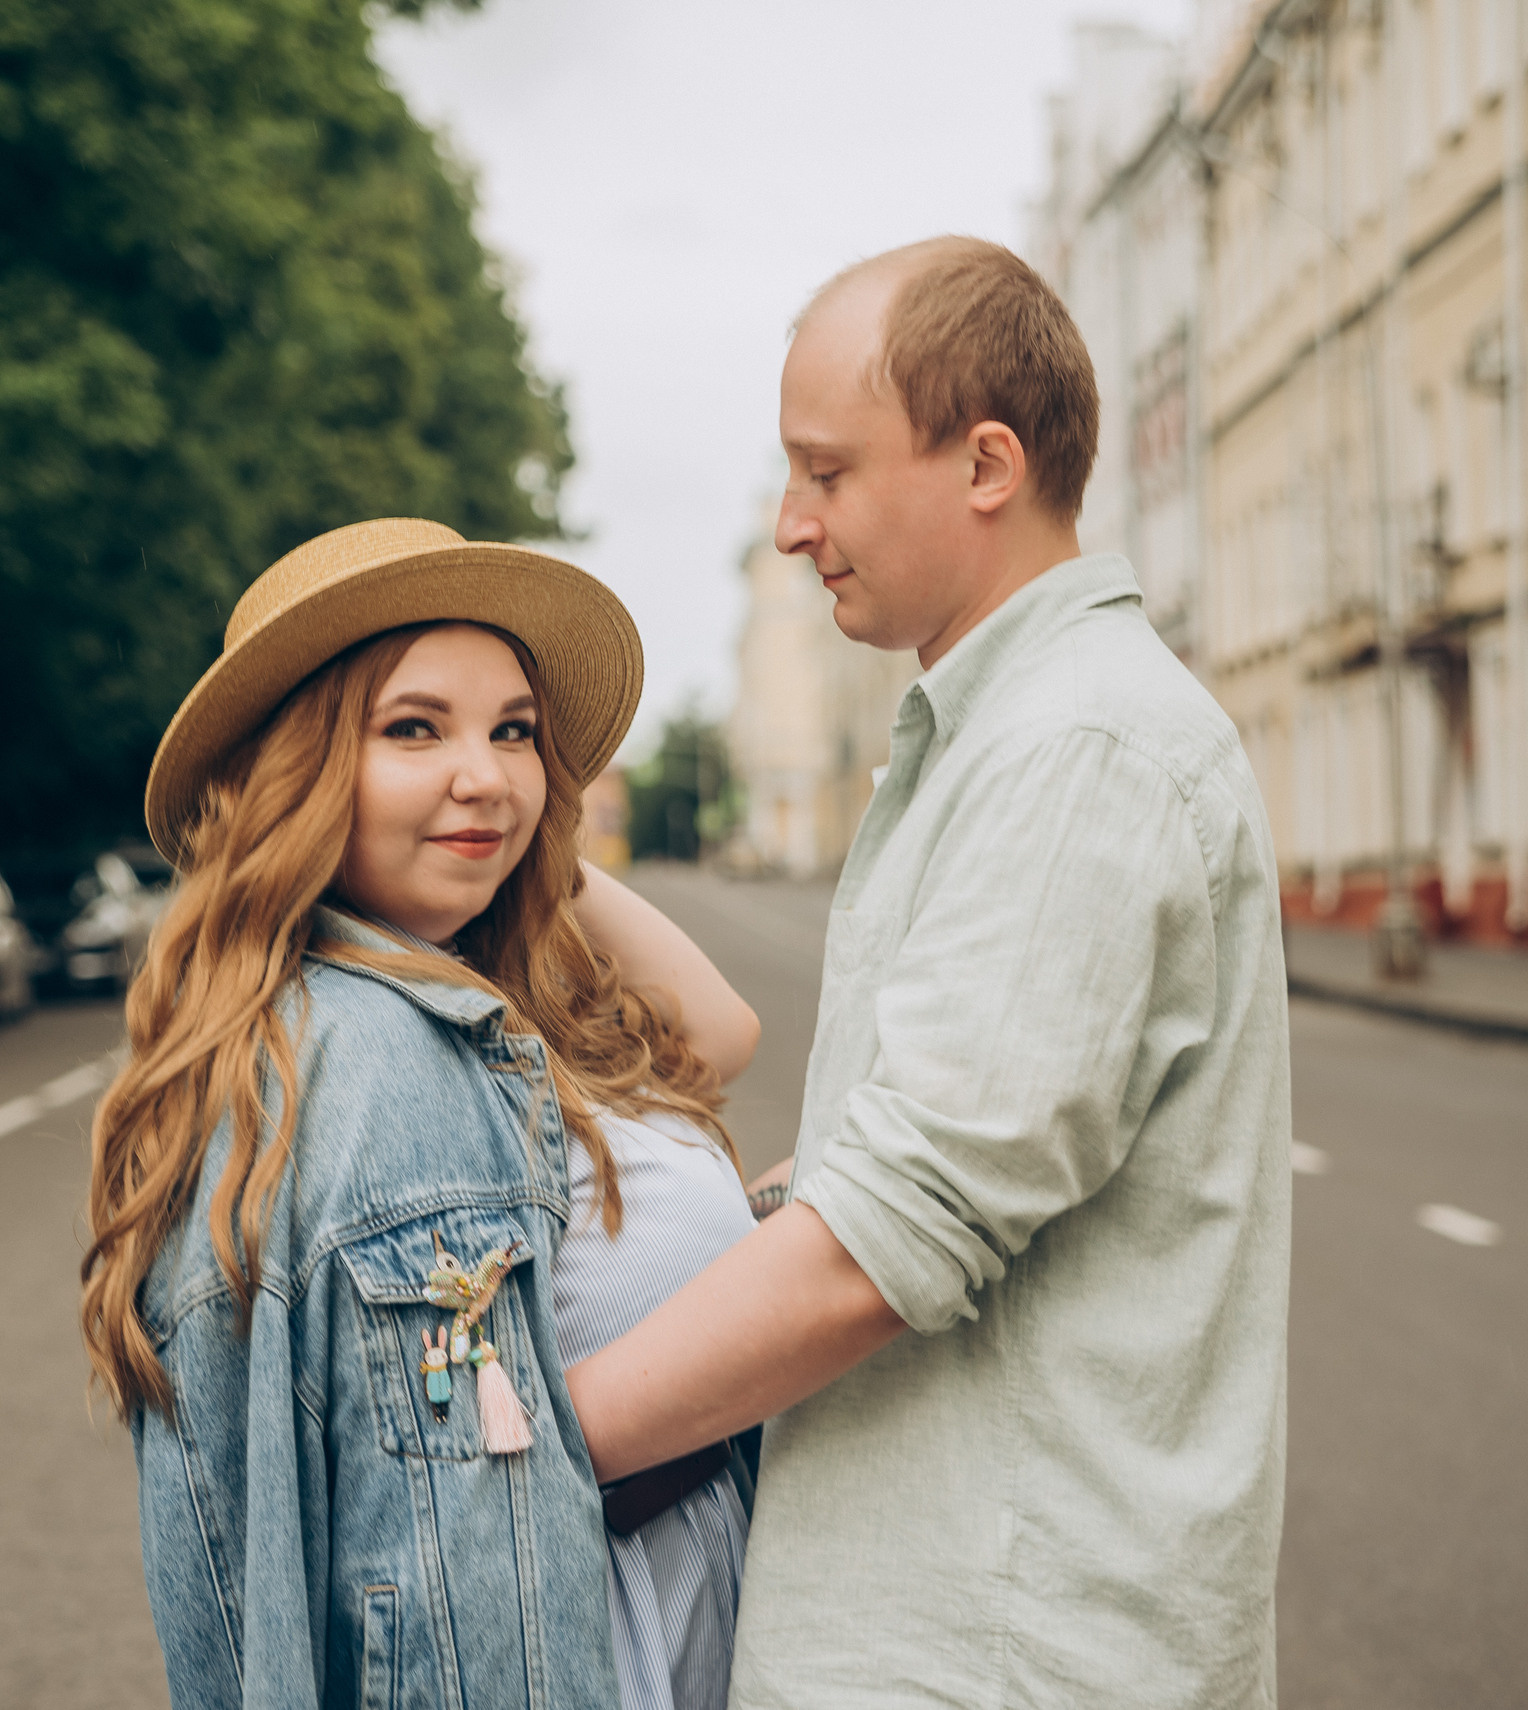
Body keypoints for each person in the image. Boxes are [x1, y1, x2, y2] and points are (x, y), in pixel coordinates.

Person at [567, 237, 1294, 1708]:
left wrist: (512, 1441)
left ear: (985, 464)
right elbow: (902, 1167)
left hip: (1002, 1654)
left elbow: (891, 1234)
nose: (790, 525)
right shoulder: (999, 734)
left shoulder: (1074, 749)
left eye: (825, 472)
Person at [80, 517, 764, 1710]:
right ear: (295, 774)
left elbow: (715, 1036)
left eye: (514, 730)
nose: (485, 769)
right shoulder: (386, 1055)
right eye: (411, 727)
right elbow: (461, 1568)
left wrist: (497, 823)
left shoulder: (472, 994)